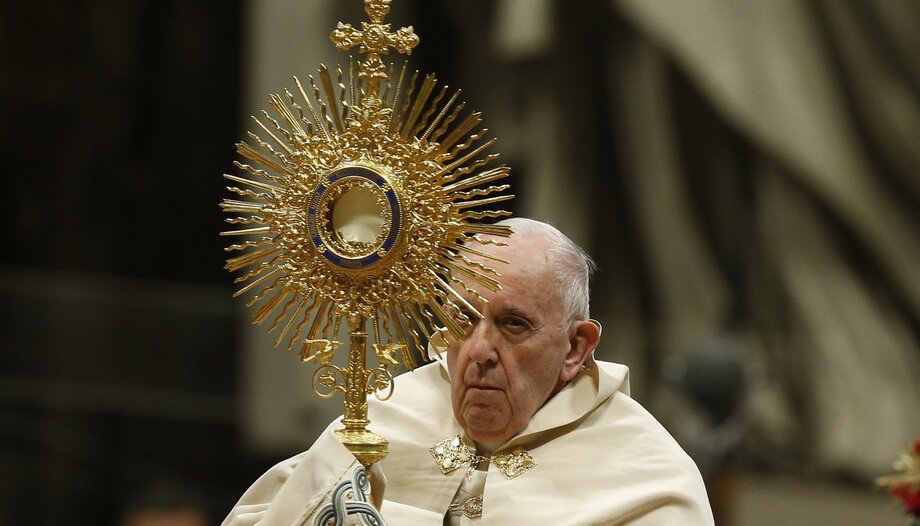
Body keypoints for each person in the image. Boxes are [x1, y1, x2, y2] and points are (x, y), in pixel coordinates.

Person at [224, 218, 714, 525]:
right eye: (462, 318)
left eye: (512, 324)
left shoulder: (646, 478)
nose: (478, 349)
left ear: (574, 347)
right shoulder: (381, 422)